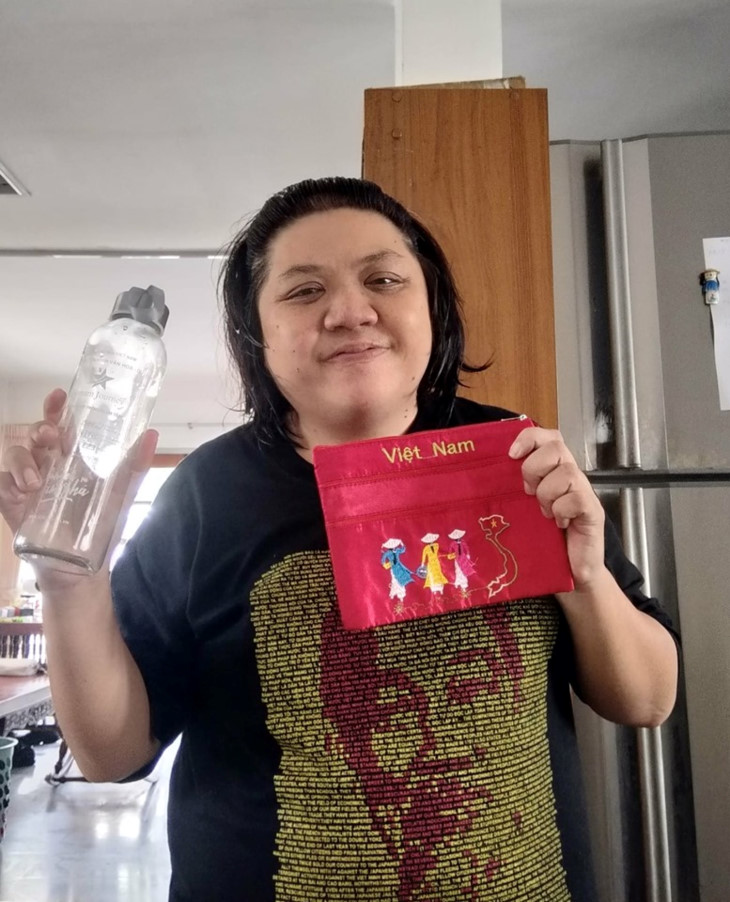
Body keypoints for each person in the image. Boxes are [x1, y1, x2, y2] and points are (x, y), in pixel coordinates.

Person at [0, 177, 679, 901]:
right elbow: (109, 754)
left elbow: (647, 700)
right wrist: (70, 581)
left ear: (432, 306)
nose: (351, 312)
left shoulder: (516, 460)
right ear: (257, 336)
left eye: (383, 279)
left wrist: (584, 577)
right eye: (303, 291)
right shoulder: (203, 496)